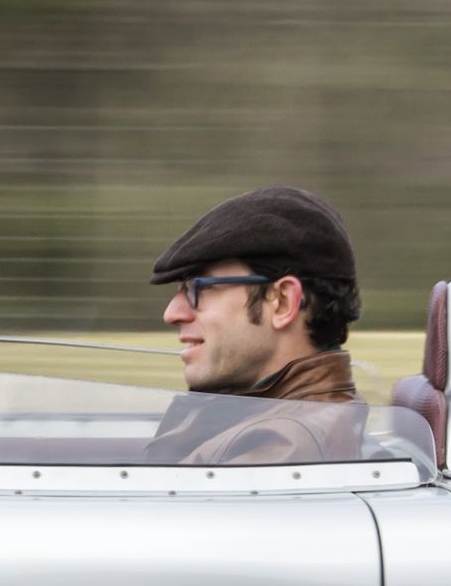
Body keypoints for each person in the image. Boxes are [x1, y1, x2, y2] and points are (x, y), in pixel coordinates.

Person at [145, 185, 368, 465]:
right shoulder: (250, 412)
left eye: (198, 287)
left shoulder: (280, 446)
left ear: (282, 302)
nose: (172, 313)